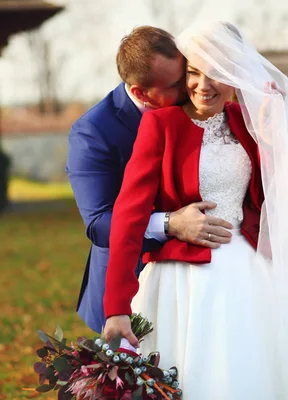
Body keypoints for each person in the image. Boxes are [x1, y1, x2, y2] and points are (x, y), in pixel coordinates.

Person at [103, 21, 288, 399]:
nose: (202, 85)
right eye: (193, 73)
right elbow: (129, 216)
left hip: (246, 274)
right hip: (182, 282)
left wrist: (273, 133)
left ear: (234, 73)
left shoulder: (245, 124)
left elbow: (275, 198)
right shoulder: (161, 124)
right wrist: (116, 307)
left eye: (216, 73)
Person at [66, 26, 235, 334]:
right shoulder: (92, 133)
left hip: (203, 274)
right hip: (129, 284)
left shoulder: (208, 109)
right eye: (176, 84)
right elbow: (98, 223)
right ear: (141, 93)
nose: (190, 88)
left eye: (188, 72)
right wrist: (170, 223)